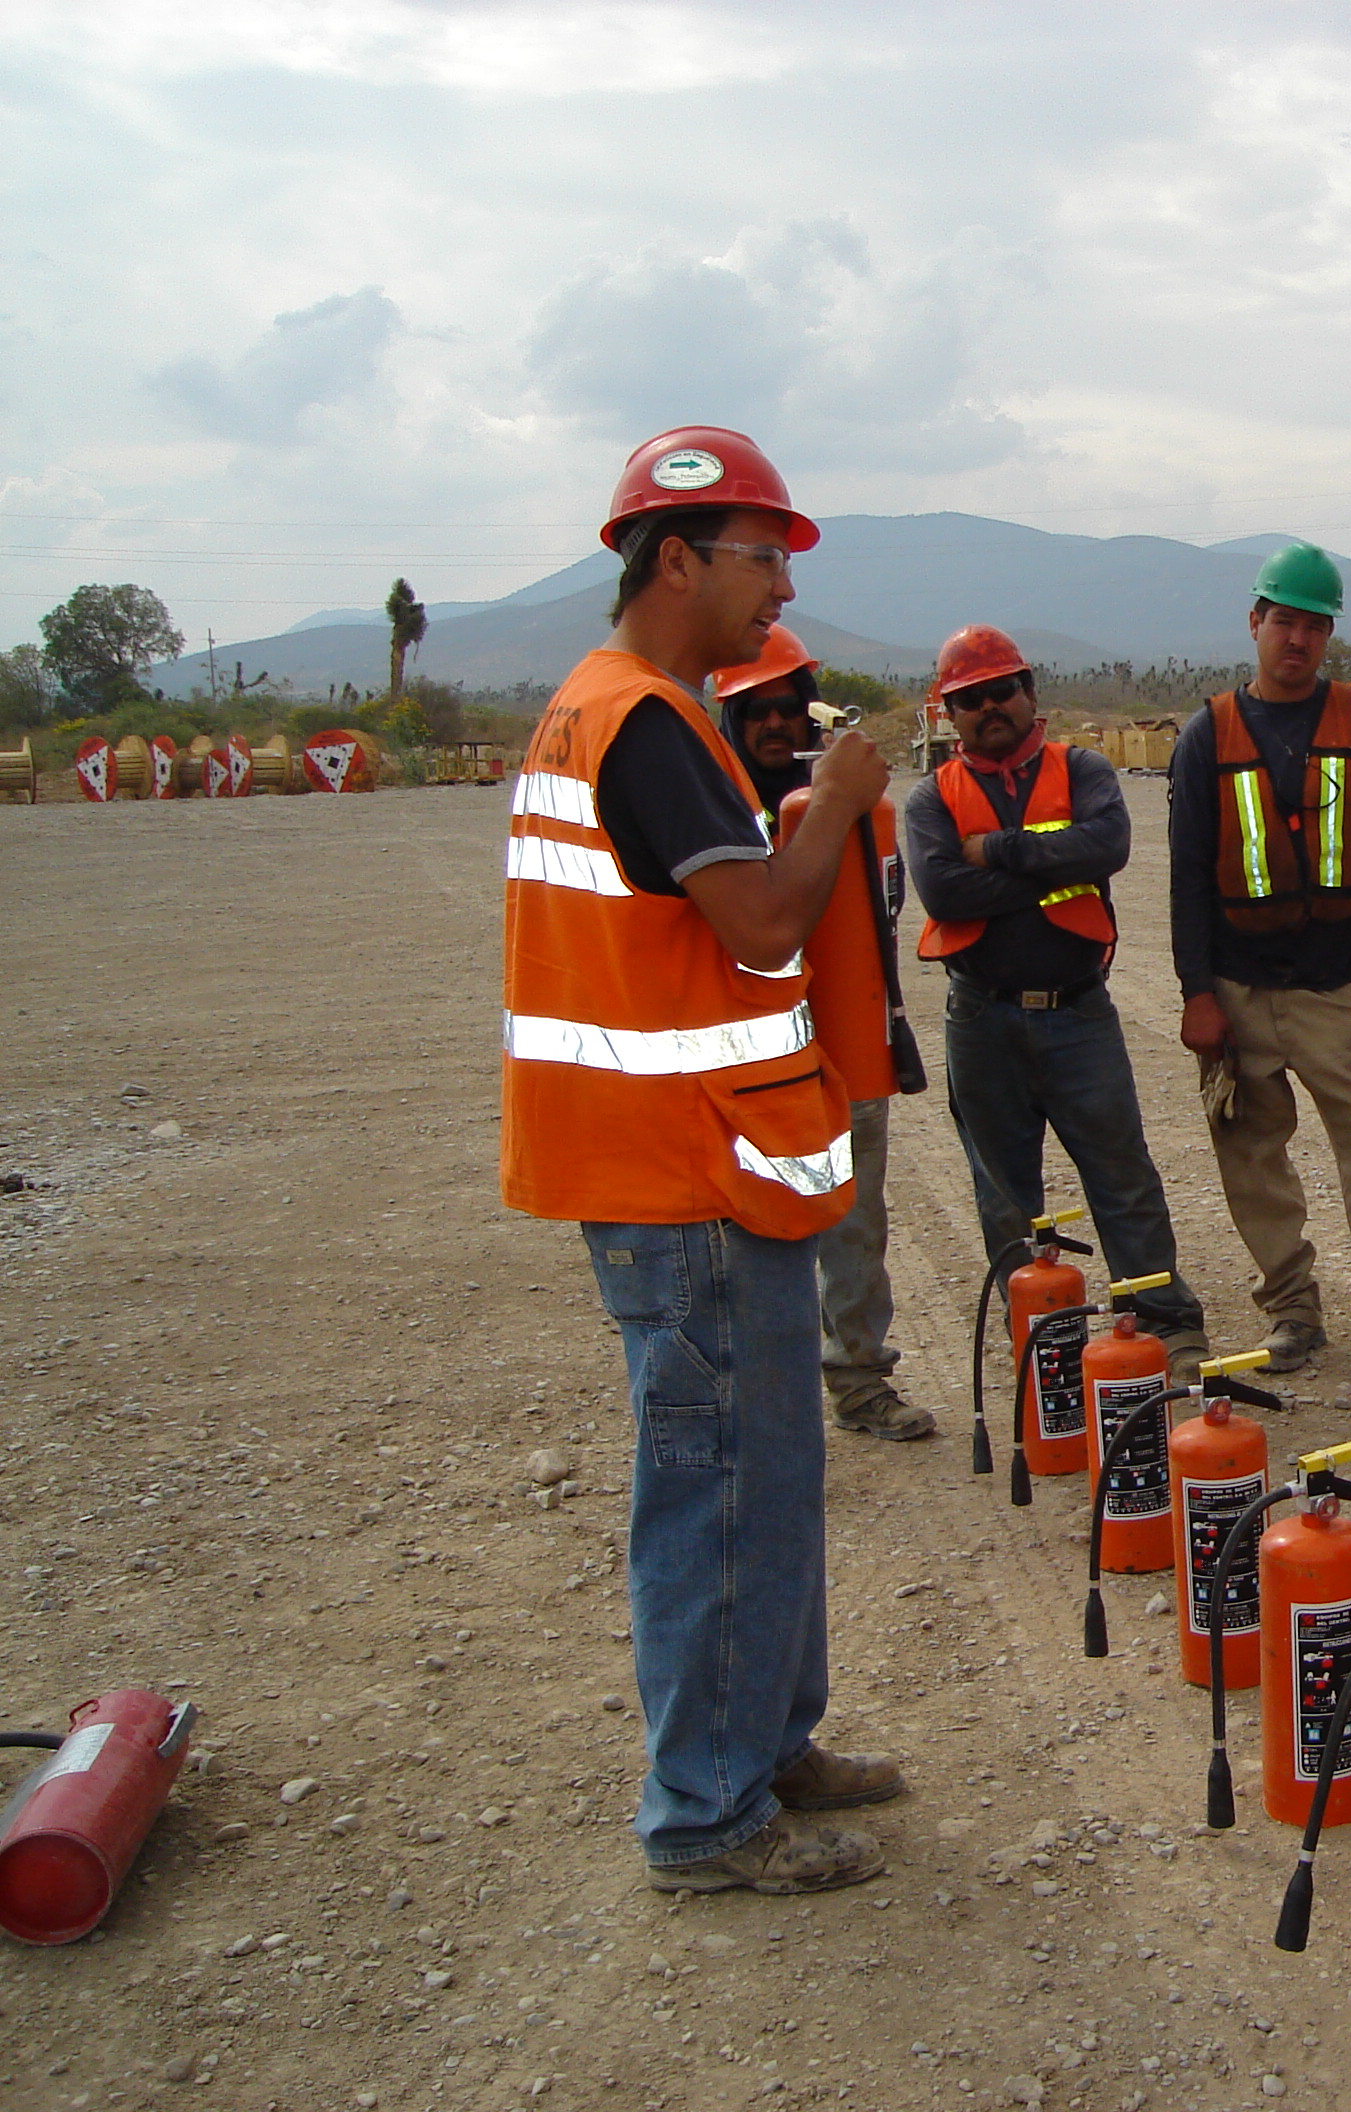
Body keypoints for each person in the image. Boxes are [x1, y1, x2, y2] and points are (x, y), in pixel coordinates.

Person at [500, 425, 902, 1896]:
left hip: (697, 1168)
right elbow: (762, 927)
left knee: (768, 1470)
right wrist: (841, 806)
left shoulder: (604, 713)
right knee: (718, 1490)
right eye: (762, 555)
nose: (781, 588)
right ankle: (706, 1815)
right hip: (681, 1178)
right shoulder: (646, 724)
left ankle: (768, 1743)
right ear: (676, 558)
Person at [1167, 542, 1351, 1381]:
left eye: (1314, 625)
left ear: (1329, 636)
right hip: (1240, 988)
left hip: (1336, 986)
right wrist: (1197, 993)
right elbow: (1186, 873)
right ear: (1256, 621)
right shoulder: (1205, 735)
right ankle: (1291, 1308)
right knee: (1251, 1154)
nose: (1298, 639)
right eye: (1284, 620)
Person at [901, 624, 1209, 1369]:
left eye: (1000, 690)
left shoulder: (1085, 768)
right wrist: (1048, 865)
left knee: (1120, 1171)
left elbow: (1107, 846)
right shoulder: (928, 799)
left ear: (1029, 692)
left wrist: (999, 854)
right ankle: (1037, 1334)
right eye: (969, 699)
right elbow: (942, 888)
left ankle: (1164, 1315)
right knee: (1003, 1191)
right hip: (981, 1015)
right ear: (950, 713)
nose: (988, 707)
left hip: (1077, 1012)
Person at [713, 623, 934, 1443]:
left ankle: (859, 1378)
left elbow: (885, 909)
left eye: (787, 708)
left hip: (843, 1046)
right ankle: (756, 1405)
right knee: (744, 1238)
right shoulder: (714, 806)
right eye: (755, 710)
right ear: (729, 720)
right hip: (737, 1059)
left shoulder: (852, 812)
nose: (774, 724)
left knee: (852, 1223)